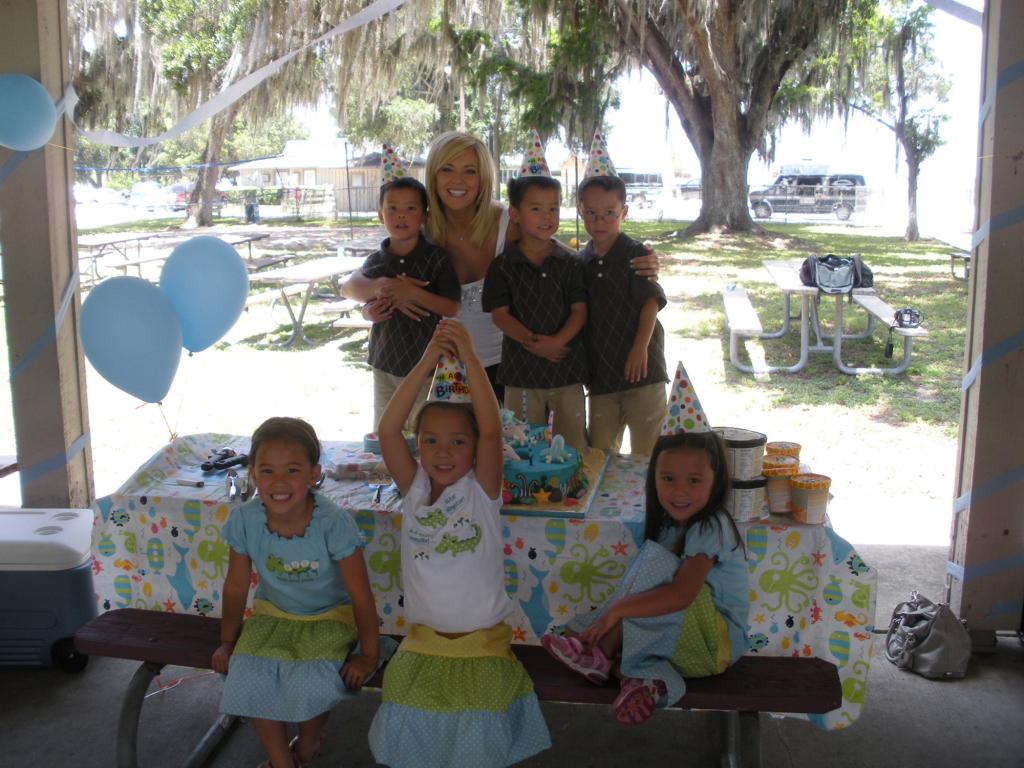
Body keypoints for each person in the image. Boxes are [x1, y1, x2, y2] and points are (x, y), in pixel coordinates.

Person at [351, 130, 660, 404]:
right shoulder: (418, 228)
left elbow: (569, 259)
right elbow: (351, 284)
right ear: (433, 175)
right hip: (441, 366)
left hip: (507, 366)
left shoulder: (506, 223)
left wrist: (636, 258)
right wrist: (383, 290)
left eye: (469, 171)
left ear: (483, 176)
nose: (458, 181)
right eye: (447, 169)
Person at [368, 319, 550, 768]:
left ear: (473, 449)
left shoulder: (481, 492)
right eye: (431, 441)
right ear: (419, 447)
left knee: (476, 745)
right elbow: (389, 431)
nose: (443, 452)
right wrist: (429, 359)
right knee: (414, 738)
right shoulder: (413, 490)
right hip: (423, 645)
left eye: (457, 442)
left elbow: (492, 431)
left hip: (481, 648)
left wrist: (471, 358)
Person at [539, 429, 748, 726]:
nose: (679, 491)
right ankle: (636, 681)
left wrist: (617, 611)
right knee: (644, 589)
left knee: (654, 579)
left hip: (716, 645)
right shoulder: (669, 525)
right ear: (654, 479)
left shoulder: (710, 526)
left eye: (694, 480)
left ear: (716, 483)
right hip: (687, 642)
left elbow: (680, 596)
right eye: (668, 479)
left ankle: (603, 653)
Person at [214, 417, 388, 768]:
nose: (279, 482)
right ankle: (281, 762)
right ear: (251, 473)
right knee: (249, 675)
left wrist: (368, 654)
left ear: (314, 475)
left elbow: (360, 594)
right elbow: (235, 587)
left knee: (312, 679)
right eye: (267, 470)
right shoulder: (244, 520)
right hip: (271, 617)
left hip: (328, 620)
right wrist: (228, 642)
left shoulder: (334, 523)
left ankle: (309, 742)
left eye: (292, 470)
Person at [339, 177, 461, 428]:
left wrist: (414, 294)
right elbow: (355, 294)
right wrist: (367, 313)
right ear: (381, 216)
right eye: (392, 208)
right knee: (385, 430)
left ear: (424, 216)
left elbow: (451, 306)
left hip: (426, 365)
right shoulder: (375, 262)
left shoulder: (437, 260)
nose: (401, 216)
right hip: (385, 361)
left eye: (410, 208)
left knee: (423, 430)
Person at [482, 169, 588, 449]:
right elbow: (499, 314)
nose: (547, 216)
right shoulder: (503, 265)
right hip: (521, 374)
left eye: (553, 208)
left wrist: (556, 342)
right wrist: (535, 343)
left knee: (573, 444)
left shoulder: (570, 262)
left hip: (566, 369)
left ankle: (575, 490)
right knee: (522, 445)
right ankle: (527, 492)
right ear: (515, 213)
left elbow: (580, 310)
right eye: (536, 208)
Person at [578, 173, 668, 455]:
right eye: (591, 213)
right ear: (580, 210)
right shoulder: (581, 261)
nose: (599, 221)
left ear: (623, 213)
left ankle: (648, 499)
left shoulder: (636, 254)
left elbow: (650, 302)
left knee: (648, 449)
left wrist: (640, 348)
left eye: (609, 213)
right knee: (601, 450)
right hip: (602, 374)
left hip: (643, 372)